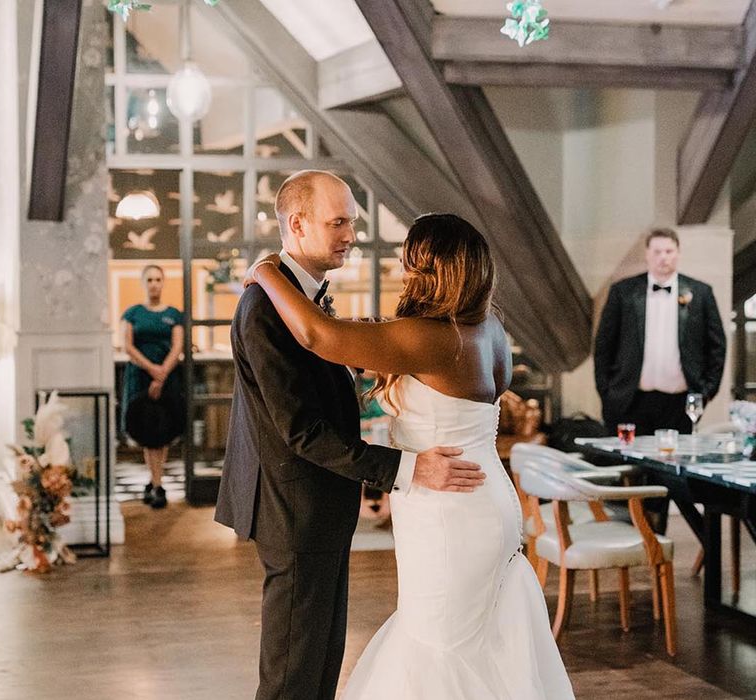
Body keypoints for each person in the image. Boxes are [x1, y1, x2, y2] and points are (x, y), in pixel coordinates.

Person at [247, 211, 574, 698]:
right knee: (476, 642)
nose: (405, 273)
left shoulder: (431, 339)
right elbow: (372, 338)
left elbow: (320, 336)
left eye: (411, 263)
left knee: (436, 644)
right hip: (490, 500)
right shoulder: (488, 331)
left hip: (447, 507)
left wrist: (266, 272)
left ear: (432, 269)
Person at [214, 171, 487, 700]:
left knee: (319, 664)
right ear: (296, 224)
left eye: (353, 223)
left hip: (320, 506)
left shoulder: (303, 297)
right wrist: (406, 469)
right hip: (293, 510)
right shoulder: (265, 306)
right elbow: (301, 431)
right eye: (338, 222)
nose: (351, 235)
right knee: (292, 675)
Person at [594, 227, 726, 530]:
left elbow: (717, 347)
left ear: (678, 253)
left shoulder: (700, 292)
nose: (663, 257)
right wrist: (607, 391)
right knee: (632, 470)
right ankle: (634, 535)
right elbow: (603, 346)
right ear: (647, 255)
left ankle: (661, 534)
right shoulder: (624, 291)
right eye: (657, 251)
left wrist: (704, 392)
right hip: (632, 399)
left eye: (669, 251)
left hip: (679, 402)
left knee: (674, 474)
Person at [121, 264, 184, 509]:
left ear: (163, 282)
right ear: (143, 282)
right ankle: (156, 483)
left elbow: (177, 346)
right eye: (149, 279)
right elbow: (127, 346)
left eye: (158, 279)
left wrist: (162, 375)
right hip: (139, 378)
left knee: (163, 431)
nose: (154, 283)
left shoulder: (173, 314)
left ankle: (156, 483)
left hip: (167, 378)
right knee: (146, 431)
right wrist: (151, 370)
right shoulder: (132, 313)